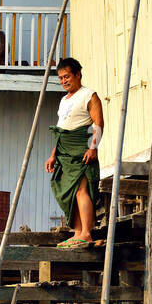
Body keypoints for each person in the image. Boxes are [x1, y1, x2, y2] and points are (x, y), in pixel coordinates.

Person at [44, 57, 105, 249]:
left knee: (81, 190)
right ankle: (78, 232)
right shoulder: (64, 100)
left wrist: (93, 147)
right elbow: (62, 130)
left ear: (78, 74)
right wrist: (53, 155)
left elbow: (98, 124)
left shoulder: (89, 95)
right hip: (64, 152)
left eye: (67, 76)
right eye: (61, 78)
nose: (64, 81)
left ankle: (87, 232)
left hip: (80, 151)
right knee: (70, 194)